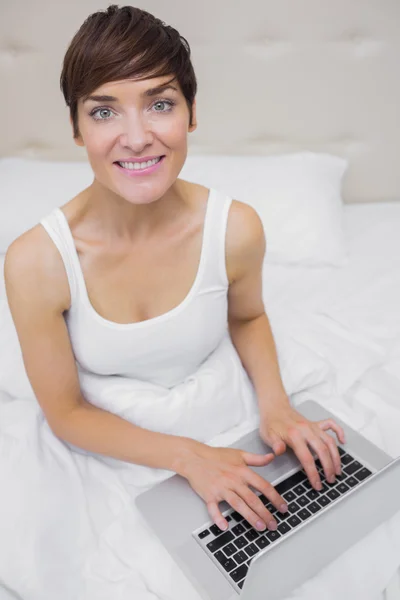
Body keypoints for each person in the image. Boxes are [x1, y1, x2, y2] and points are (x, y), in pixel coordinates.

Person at [4, 4, 345, 535]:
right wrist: (190, 457)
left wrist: (276, 406)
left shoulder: (236, 229)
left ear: (190, 113)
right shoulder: (36, 262)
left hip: (224, 409)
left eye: (159, 103)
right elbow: (66, 411)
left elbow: (248, 318)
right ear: (75, 127)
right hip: (112, 444)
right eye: (103, 111)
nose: (137, 138)